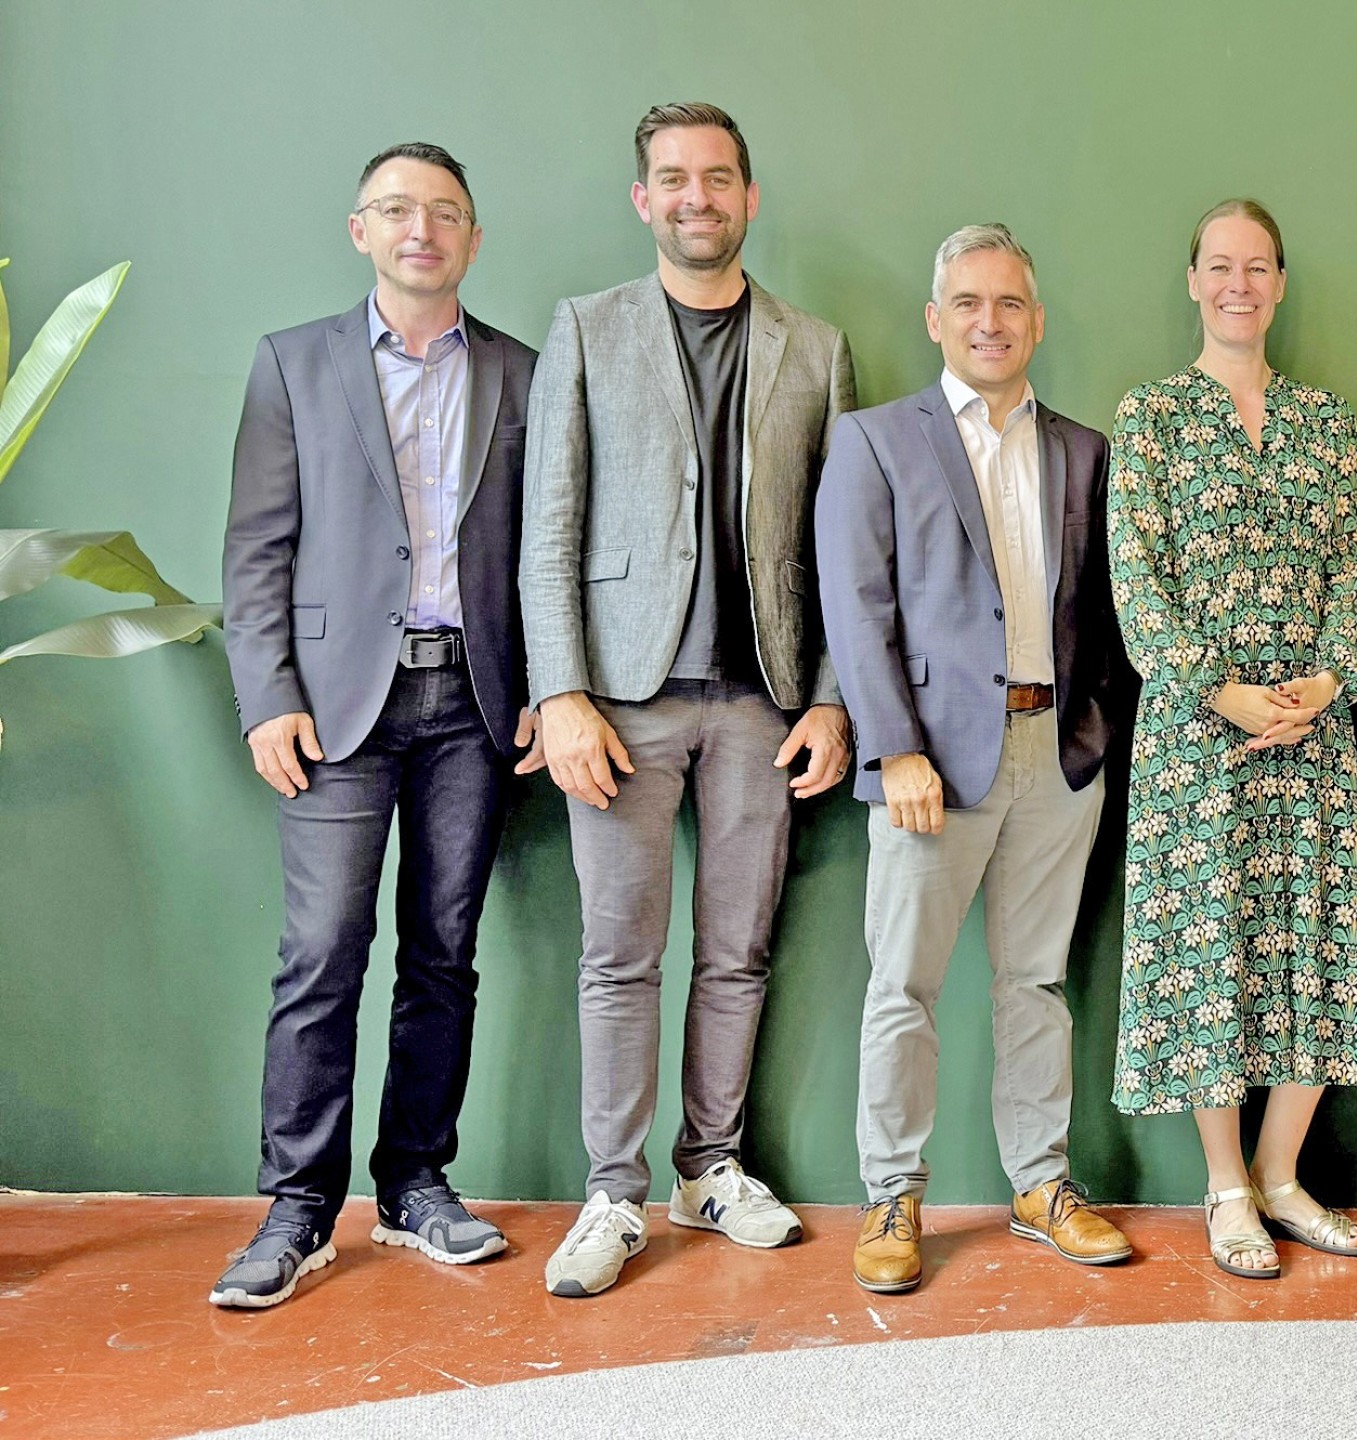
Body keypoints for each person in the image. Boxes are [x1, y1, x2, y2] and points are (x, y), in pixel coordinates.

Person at [520, 102, 856, 1299]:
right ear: (643, 199)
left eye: (718, 179)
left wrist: (827, 697)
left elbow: (836, 549)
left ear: (750, 198)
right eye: (673, 179)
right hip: (621, 701)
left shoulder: (814, 347)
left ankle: (708, 1168)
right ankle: (611, 1192)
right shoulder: (584, 327)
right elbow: (546, 526)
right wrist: (558, 692)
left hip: (762, 704)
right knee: (618, 956)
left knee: (739, 953)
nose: (696, 198)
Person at [213, 142, 540, 1308]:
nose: (421, 229)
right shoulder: (292, 365)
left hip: (476, 705)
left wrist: (549, 689)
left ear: (472, 238)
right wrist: (268, 698)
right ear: (361, 230)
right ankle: (297, 1210)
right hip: (337, 708)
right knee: (320, 958)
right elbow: (255, 551)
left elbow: (547, 560)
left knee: (442, 955)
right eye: (397, 210)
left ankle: (415, 1187)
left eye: (444, 212)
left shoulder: (522, 373)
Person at [814, 224, 1132, 1294]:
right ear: (935, 318)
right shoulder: (875, 441)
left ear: (1036, 322)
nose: (989, 322)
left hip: (1059, 754)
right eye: (968, 303)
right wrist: (895, 748)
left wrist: (1096, 731)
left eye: (1009, 305)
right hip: (930, 768)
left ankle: (1040, 1184)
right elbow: (855, 611)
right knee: (903, 985)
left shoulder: (1084, 451)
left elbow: (1103, 608)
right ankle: (892, 1195)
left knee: (1035, 982)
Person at [1106, 198, 1357, 1280]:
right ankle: (1224, 1187)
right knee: (1210, 952)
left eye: (1256, 266)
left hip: (1310, 736)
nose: (1238, 284)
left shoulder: (1325, 419)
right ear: (1192, 281)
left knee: (1310, 947)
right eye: (1218, 266)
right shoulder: (1153, 416)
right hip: (1196, 737)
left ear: (1279, 282)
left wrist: (1321, 683)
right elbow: (1138, 583)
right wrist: (1220, 691)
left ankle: (1280, 1175)